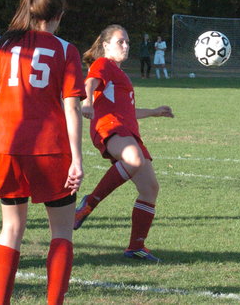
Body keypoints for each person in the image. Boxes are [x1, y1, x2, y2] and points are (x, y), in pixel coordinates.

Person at [0, 0, 84, 304]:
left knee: (11, 229)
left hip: (7, 146)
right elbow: (72, 106)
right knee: (61, 232)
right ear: (59, 15)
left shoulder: (2, 46)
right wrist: (77, 158)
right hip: (51, 149)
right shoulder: (66, 49)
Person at [74, 24, 174, 262]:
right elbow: (89, 83)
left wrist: (154, 112)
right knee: (134, 159)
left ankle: (136, 247)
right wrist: (87, 103)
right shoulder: (103, 64)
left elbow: (128, 112)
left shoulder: (121, 74)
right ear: (106, 45)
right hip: (109, 126)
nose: (126, 46)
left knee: (150, 188)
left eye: (127, 42)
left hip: (127, 130)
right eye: (120, 42)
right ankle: (89, 203)